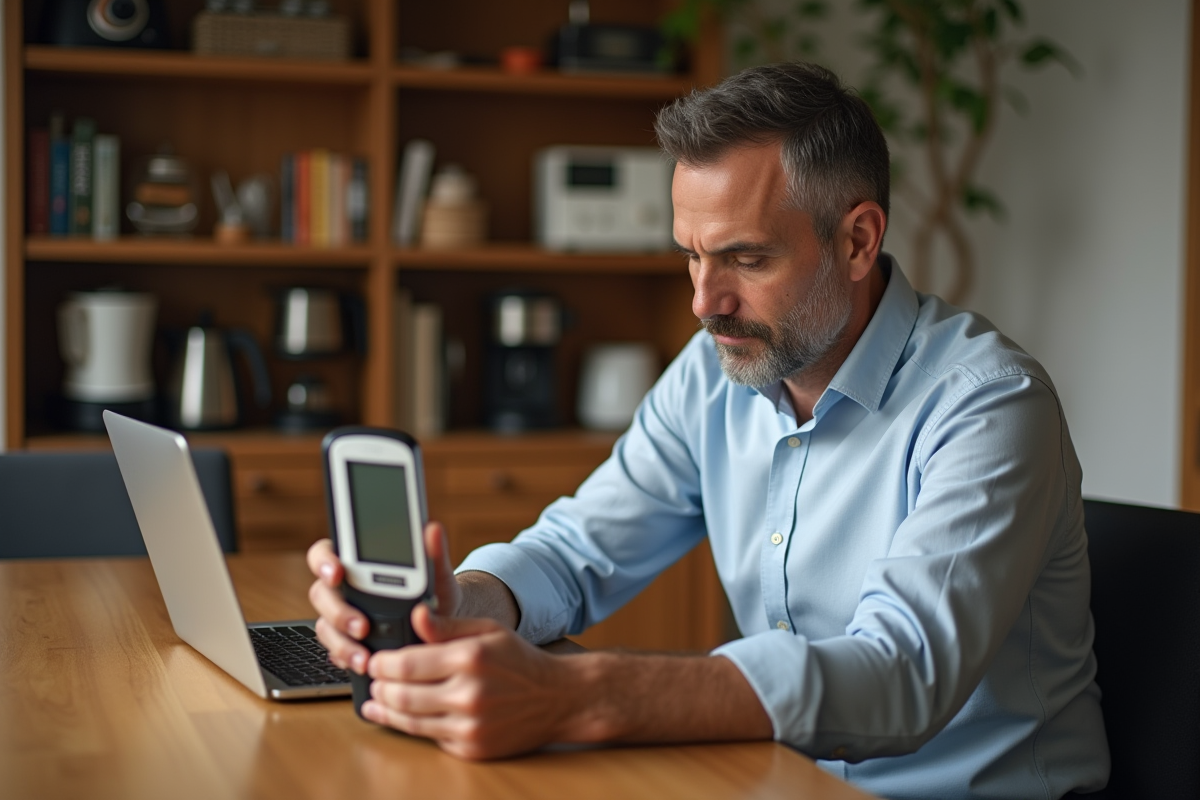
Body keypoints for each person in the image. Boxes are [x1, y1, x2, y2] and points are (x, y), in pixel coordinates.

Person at [308, 62, 1110, 799]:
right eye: (691, 256)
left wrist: (578, 698)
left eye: (746, 260)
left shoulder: (990, 405)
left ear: (858, 240)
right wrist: (468, 601)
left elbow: (898, 677)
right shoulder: (714, 372)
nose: (704, 301)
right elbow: (577, 552)